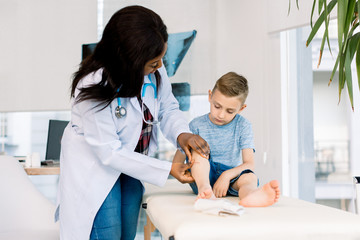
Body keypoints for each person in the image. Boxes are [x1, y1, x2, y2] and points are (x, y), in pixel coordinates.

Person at [55, 5, 210, 240]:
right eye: (152, 62)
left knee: (127, 233)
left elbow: (167, 107)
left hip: (131, 164)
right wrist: (169, 169)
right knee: (107, 233)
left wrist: (182, 134)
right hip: (96, 170)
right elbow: (109, 152)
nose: (159, 67)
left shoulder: (153, 68)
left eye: (160, 59)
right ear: (127, 59)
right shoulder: (93, 85)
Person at [173, 72, 280, 207]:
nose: (221, 115)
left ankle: (251, 195)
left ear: (241, 108)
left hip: (231, 178)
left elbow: (249, 164)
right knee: (198, 153)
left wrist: (226, 176)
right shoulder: (196, 125)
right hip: (202, 178)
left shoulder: (243, 125)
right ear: (210, 96)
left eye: (230, 111)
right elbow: (177, 163)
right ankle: (205, 191)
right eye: (217, 106)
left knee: (249, 177)